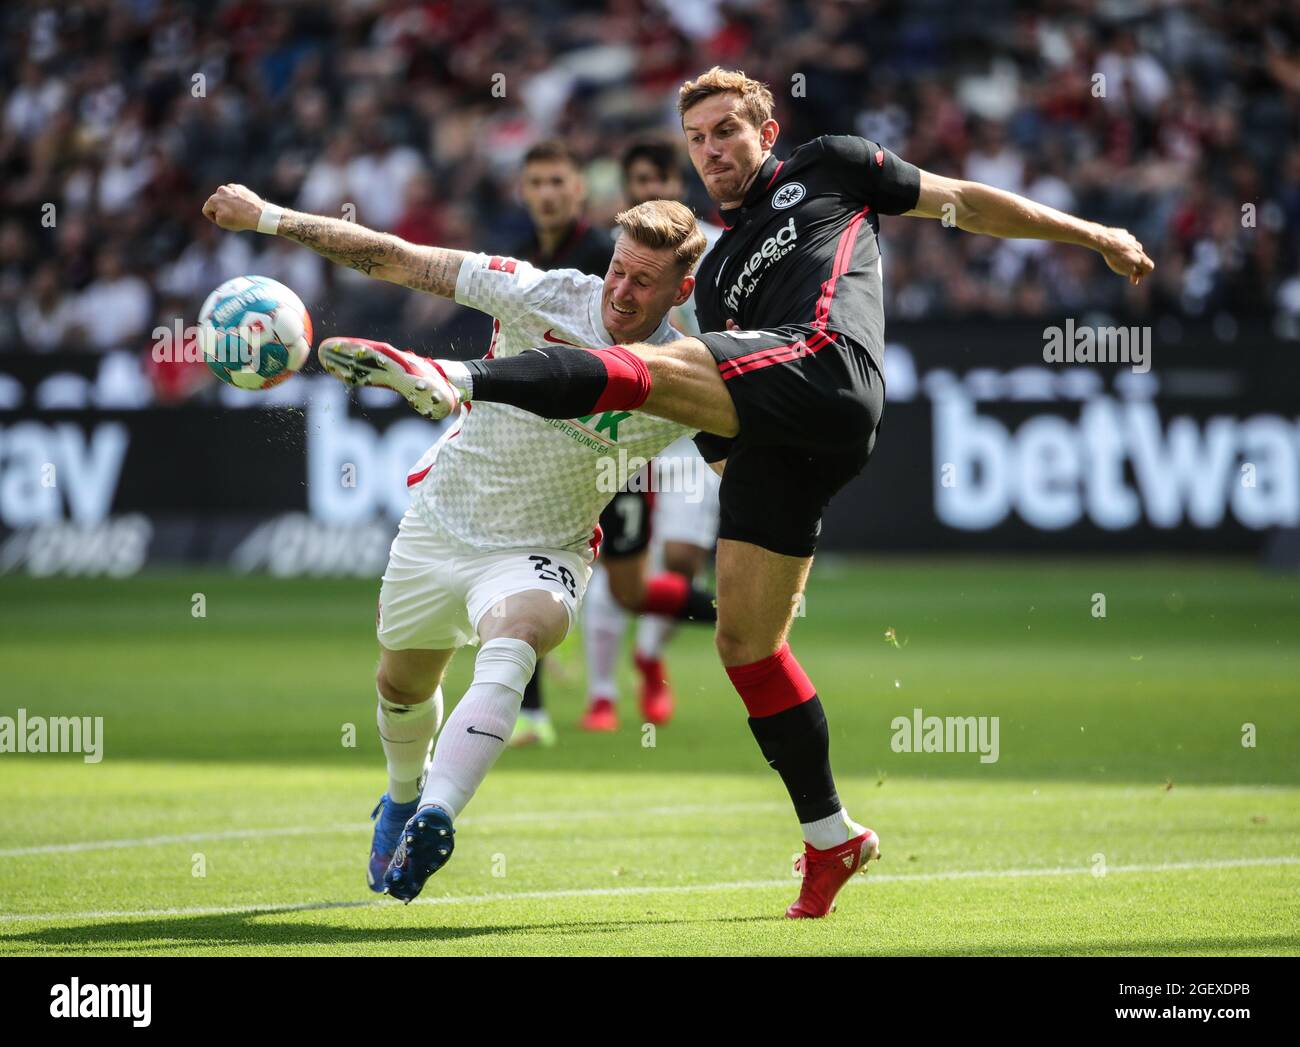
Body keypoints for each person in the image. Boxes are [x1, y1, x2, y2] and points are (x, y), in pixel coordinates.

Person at [372, 67, 1155, 918]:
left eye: (725, 131)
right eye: (697, 139)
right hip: (784, 432)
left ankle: (457, 377)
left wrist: (1092, 233)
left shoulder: (834, 166)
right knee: (745, 643)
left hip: (830, 365)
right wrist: (747, 505)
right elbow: (720, 426)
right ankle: (833, 837)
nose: (711, 150)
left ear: (765, 129)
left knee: (641, 369)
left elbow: (962, 199)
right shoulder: (710, 281)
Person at [201, 183, 708, 901]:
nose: (620, 291)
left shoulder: (685, 376)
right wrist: (268, 218)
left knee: (521, 630)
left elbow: (748, 455)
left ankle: (435, 816)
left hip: (546, 547)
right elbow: (398, 258)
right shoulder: (541, 293)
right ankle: (403, 797)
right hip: (441, 524)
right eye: (618, 270)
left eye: (643, 281)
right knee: (400, 685)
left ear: (681, 288)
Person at [576, 141, 724, 733]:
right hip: (626, 425)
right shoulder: (606, 255)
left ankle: (652, 656)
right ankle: (603, 693)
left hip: (691, 423)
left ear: (677, 182)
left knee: (683, 559)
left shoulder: (715, 249)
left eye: (659, 177)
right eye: (637, 179)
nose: (648, 187)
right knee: (621, 559)